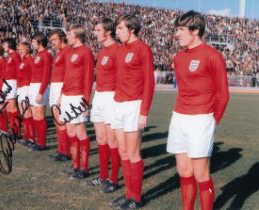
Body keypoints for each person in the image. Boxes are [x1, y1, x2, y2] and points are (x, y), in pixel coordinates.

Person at [166, 11, 230, 210]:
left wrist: (211, 120)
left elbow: (223, 94)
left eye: (181, 30)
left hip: (201, 119)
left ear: (195, 31)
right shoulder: (178, 58)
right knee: (184, 170)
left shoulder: (212, 56)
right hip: (179, 117)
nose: (177, 34)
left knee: (200, 173)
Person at [109, 14, 155, 209]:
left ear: (132, 29)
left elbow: (149, 83)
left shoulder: (143, 49)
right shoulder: (120, 50)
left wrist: (144, 111)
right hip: (118, 104)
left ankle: (136, 198)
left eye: (120, 29)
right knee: (123, 152)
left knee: (133, 153)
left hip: (134, 105)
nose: (116, 32)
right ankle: (128, 194)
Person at [85, 18, 120, 193]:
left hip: (111, 97)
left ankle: (113, 179)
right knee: (100, 138)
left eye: (98, 30)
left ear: (108, 32)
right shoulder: (102, 51)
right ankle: (102, 176)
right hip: (99, 95)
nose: (95, 33)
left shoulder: (118, 50)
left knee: (112, 139)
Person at [59, 24, 94, 180]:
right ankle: (75, 166)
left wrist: (85, 102)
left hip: (78, 97)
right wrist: (61, 95)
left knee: (80, 133)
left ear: (77, 36)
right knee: (70, 132)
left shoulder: (86, 52)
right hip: (66, 96)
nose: (67, 36)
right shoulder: (69, 52)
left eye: (69, 34)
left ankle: (84, 169)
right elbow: (67, 76)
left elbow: (88, 79)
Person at [48, 29, 71, 161]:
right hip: (54, 86)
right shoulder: (58, 53)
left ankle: (65, 152)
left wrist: (62, 93)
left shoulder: (67, 51)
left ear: (62, 38)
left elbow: (68, 74)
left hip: (61, 87)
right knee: (56, 121)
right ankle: (61, 149)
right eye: (51, 40)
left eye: (55, 40)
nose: (52, 42)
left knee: (61, 121)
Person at [29, 32, 52, 151]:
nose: (32, 44)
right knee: (35, 115)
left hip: (40, 87)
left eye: (33, 41)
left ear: (39, 41)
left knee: (39, 115)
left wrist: (41, 91)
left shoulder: (46, 55)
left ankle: (42, 143)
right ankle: (37, 141)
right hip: (33, 86)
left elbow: (46, 75)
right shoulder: (37, 54)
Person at [16, 42, 35, 146]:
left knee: (27, 113)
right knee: (24, 114)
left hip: (27, 88)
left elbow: (34, 75)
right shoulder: (22, 60)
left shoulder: (30, 60)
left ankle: (31, 138)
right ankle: (26, 136)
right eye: (19, 50)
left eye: (22, 49)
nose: (20, 51)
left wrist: (30, 91)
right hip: (20, 88)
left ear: (28, 49)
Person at [2, 38, 21, 138]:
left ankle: (17, 131)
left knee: (12, 107)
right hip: (8, 83)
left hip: (12, 83)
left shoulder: (15, 55)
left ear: (9, 45)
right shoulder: (9, 56)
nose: (3, 46)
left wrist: (18, 83)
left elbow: (19, 69)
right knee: (8, 107)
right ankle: (12, 129)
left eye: (5, 44)